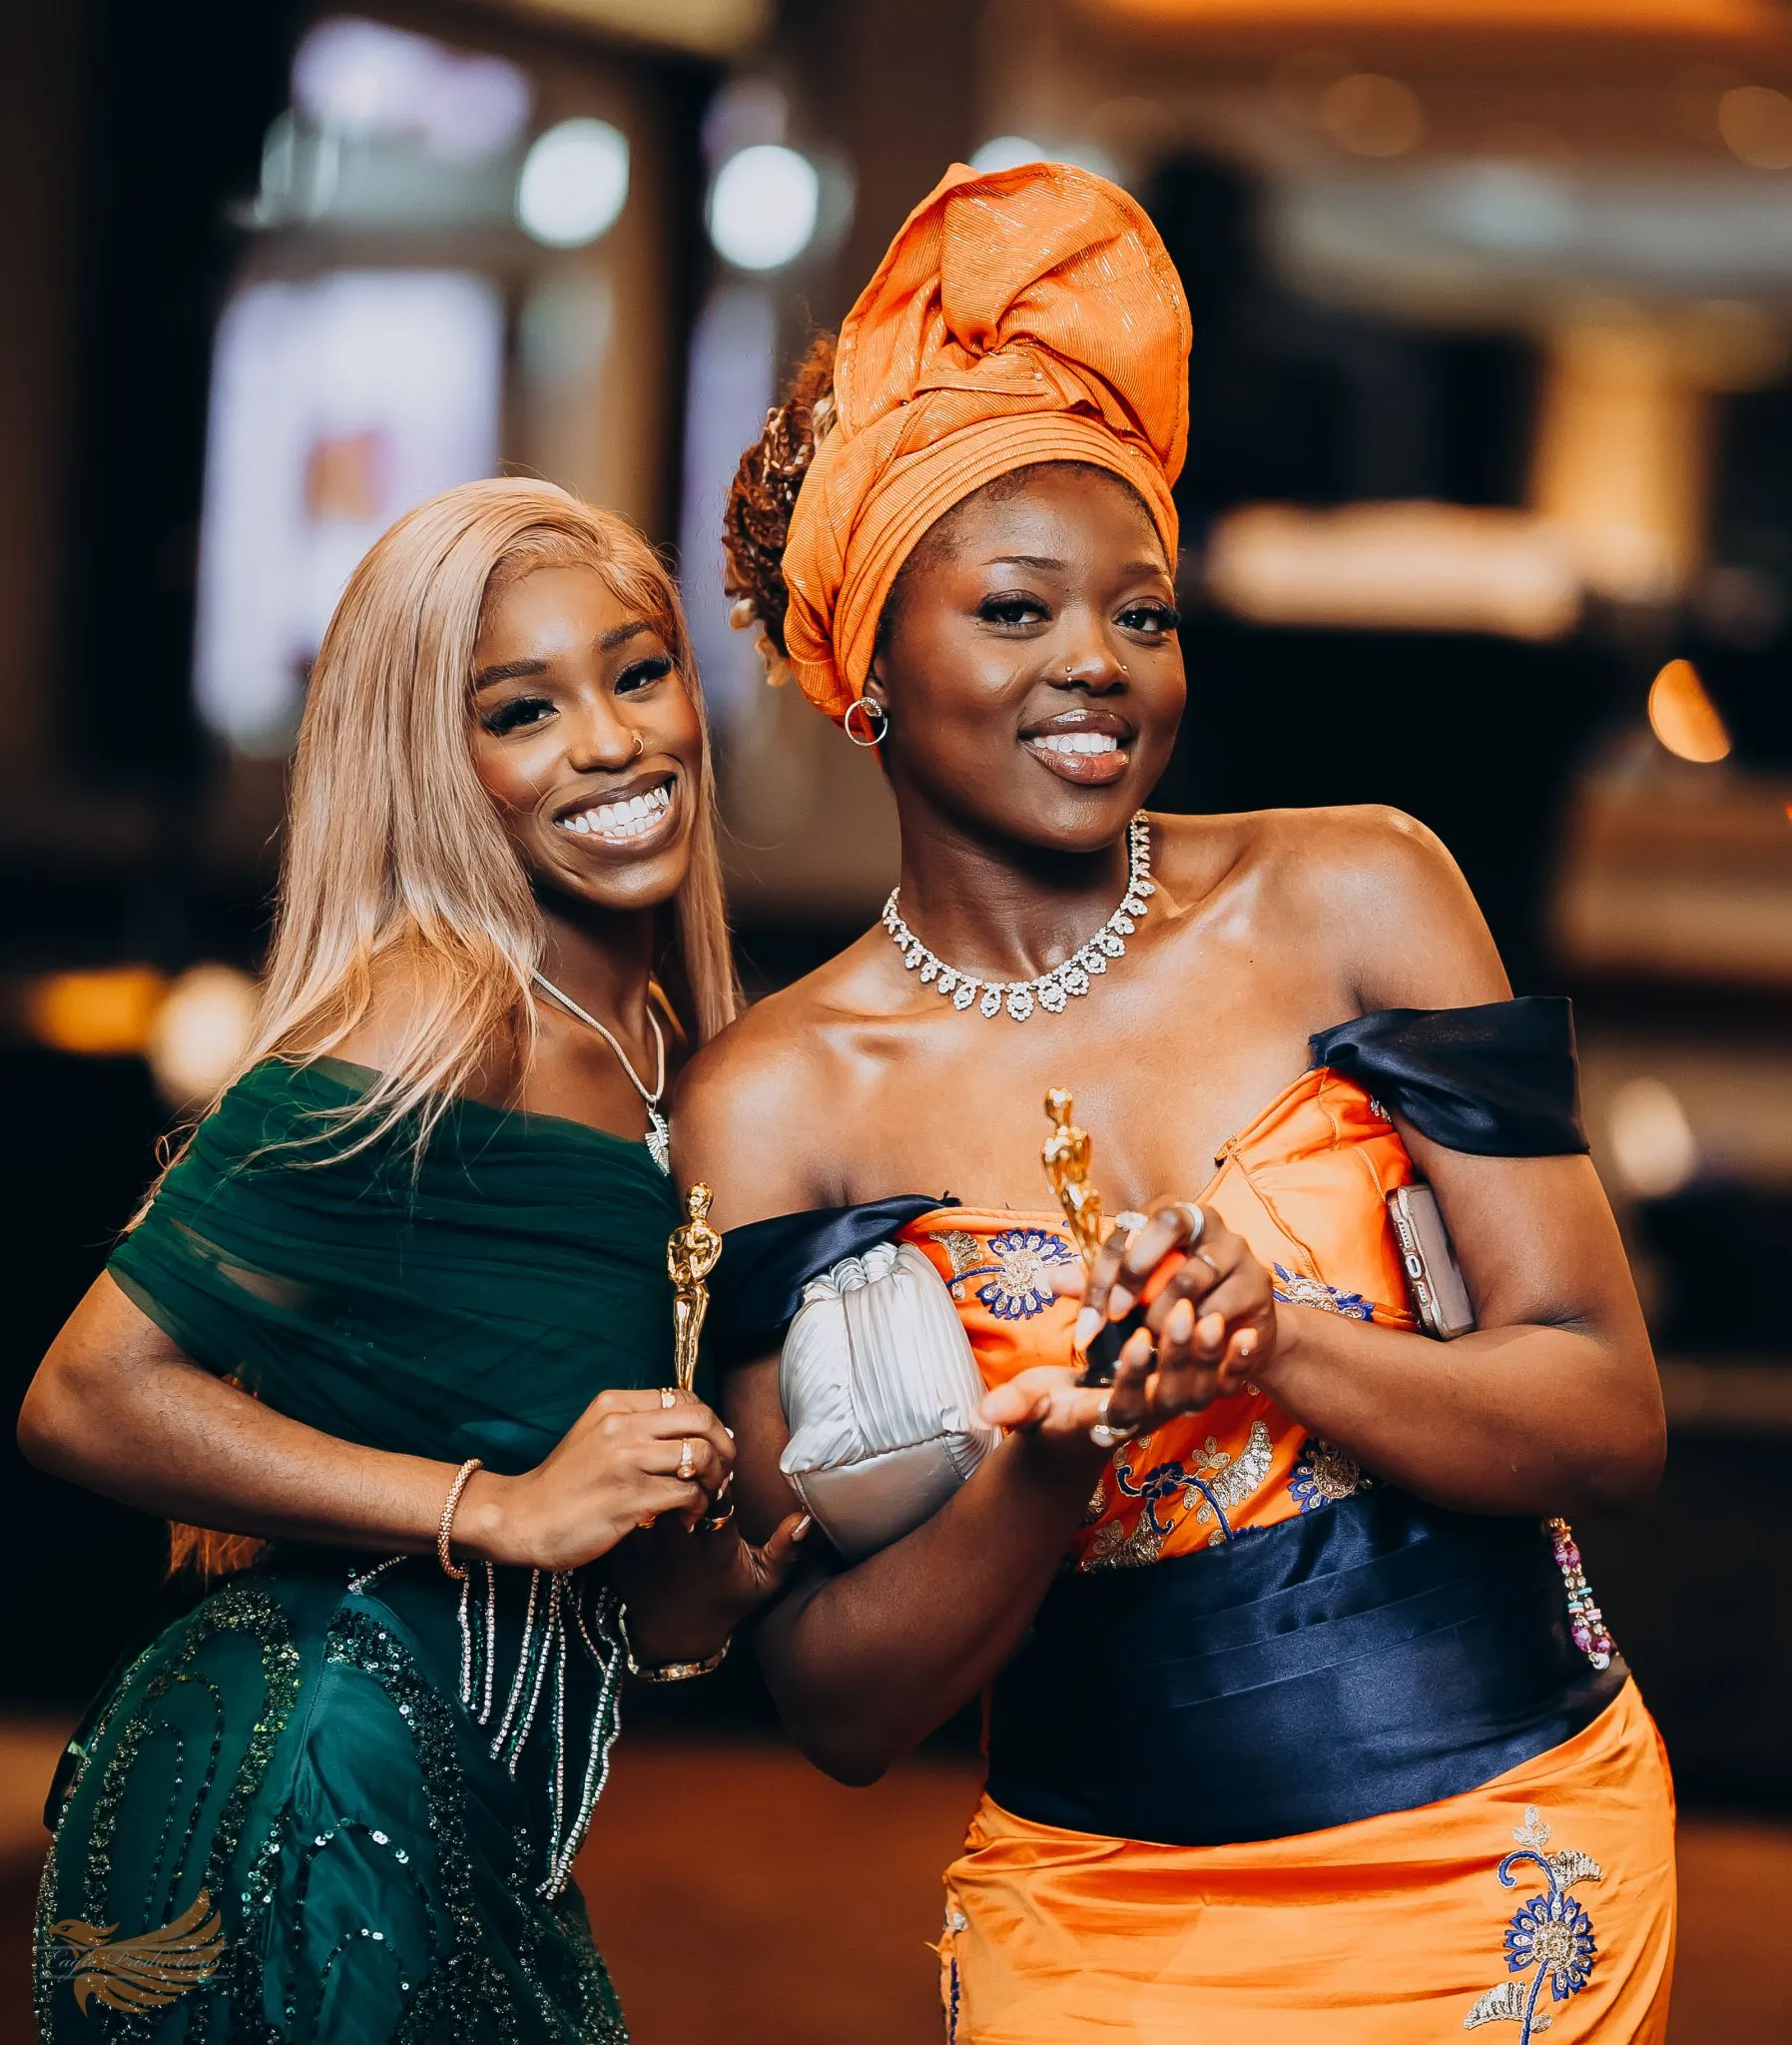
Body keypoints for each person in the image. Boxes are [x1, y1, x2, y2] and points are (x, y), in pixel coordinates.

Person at [677, 161, 1675, 2042]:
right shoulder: (773, 1100)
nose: (1095, 663)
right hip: (1097, 1925)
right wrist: (1048, 1462)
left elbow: (1605, 1420)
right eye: (1016, 608)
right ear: (867, 664)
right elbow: (833, 1706)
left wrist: (1277, 1339)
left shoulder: (1361, 890)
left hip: (1504, 1868)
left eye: (1142, 615)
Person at [19, 478, 805, 2042]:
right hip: (313, 1767)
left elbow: (579, 1526)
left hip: (482, 1807)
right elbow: (86, 1394)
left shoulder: (675, 1046)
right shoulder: (437, 1018)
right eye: (522, 710)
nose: (610, 741)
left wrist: (681, 1593)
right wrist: (492, 1508)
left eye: (637, 673)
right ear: (429, 762)